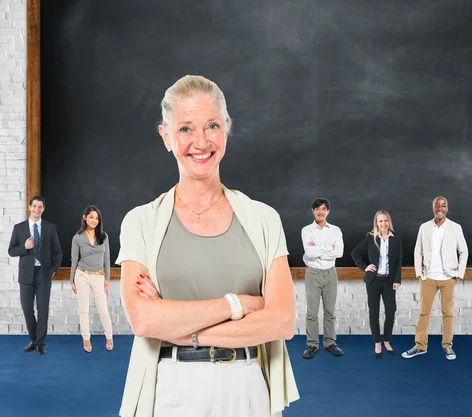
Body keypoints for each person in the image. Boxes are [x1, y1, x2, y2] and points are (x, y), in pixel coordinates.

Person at [115, 75, 298, 417]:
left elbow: (282, 321)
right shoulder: (140, 223)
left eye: (212, 125)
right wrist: (238, 304)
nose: (200, 142)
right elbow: (143, 319)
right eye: (185, 128)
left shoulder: (263, 219)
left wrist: (180, 328)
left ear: (226, 129)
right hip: (170, 391)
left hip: (247, 389)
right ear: (166, 136)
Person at [402, 196, 468, 361]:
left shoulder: (455, 227)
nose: (440, 208)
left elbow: (464, 251)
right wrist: (419, 272)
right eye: (437, 205)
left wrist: (459, 273)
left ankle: (448, 346)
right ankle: (420, 346)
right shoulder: (424, 227)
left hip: (448, 277)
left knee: (448, 313)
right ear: (433, 208)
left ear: (447, 208)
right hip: (428, 277)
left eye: (443, 205)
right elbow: (418, 250)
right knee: (424, 312)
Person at [8, 195, 62, 356]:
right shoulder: (19, 228)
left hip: (44, 274)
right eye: (34, 206)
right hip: (26, 274)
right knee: (27, 309)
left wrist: (53, 269)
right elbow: (11, 251)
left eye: (40, 207)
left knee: (43, 309)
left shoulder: (50, 228)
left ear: (43, 209)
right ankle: (34, 339)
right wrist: (24, 247)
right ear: (29, 207)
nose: (37, 209)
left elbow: (58, 252)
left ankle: (40, 343)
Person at [351, 210, 402, 358]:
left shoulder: (396, 237)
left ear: (389, 221)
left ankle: (386, 341)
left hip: (389, 281)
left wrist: (397, 279)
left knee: (391, 311)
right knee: (374, 313)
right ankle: (377, 343)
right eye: (380, 221)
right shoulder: (371, 237)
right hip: (373, 281)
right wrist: (364, 267)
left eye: (386, 221)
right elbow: (355, 253)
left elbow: (398, 260)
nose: (383, 224)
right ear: (376, 223)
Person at [301, 198, 344, 359]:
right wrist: (329, 248)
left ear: (328, 211)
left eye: (324, 209)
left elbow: (339, 252)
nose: (321, 211)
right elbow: (309, 253)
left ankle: (330, 343)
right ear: (313, 211)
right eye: (317, 209)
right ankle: (312, 344)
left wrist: (317, 249)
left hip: (330, 273)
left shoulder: (335, 230)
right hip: (313, 273)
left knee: (330, 312)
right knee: (312, 312)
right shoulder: (306, 230)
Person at [70, 205, 114, 353]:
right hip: (81, 275)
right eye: (91, 217)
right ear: (85, 218)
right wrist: (72, 281)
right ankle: (86, 339)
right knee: (84, 309)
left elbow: (107, 258)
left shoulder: (104, 236)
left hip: (98, 276)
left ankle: (109, 336)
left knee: (103, 309)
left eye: (96, 218)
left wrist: (107, 279)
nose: (94, 220)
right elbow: (74, 260)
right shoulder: (77, 238)